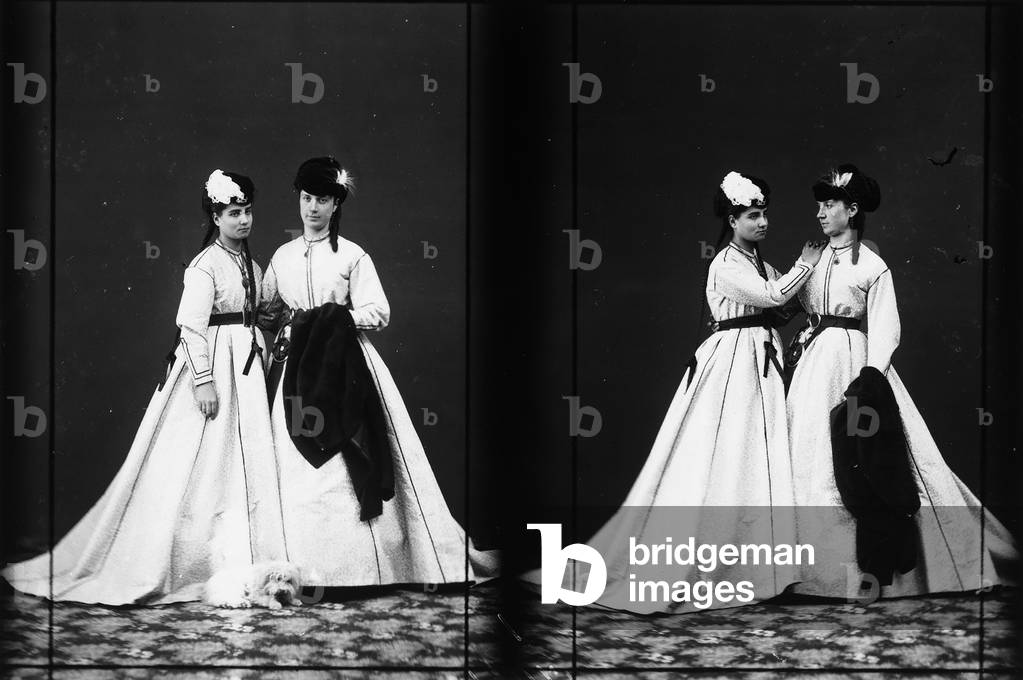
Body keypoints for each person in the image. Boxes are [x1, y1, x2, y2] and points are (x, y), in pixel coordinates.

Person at [526, 172, 825, 614]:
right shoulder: (725, 263)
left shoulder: (759, 261)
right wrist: (805, 265)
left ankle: (761, 562)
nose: (763, 222)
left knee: (757, 454)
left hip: (760, 359)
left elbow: (781, 305)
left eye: (764, 214)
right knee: (723, 452)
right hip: (732, 363)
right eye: (753, 215)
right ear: (732, 218)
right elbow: (768, 295)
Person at [2, 170, 288, 605]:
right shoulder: (204, 266)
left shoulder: (252, 264)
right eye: (234, 213)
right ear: (216, 216)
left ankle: (244, 563)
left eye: (248, 212)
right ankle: (187, 563)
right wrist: (204, 382)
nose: (244, 220)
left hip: (246, 372)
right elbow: (191, 327)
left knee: (243, 462)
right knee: (199, 465)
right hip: (214, 368)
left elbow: (264, 310)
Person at [259, 156, 495, 587]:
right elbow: (269, 311)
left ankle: (366, 571)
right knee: (294, 458)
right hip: (296, 369)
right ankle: (303, 567)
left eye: (323, 200)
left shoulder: (353, 256)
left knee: (351, 447)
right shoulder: (282, 257)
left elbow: (379, 311)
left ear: (336, 204)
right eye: (307, 198)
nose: (312, 208)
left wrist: (334, 319)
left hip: (343, 362)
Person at [785, 164, 1017, 598]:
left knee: (871, 456)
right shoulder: (812, 259)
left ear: (852, 210)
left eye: (830, 204)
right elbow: (786, 300)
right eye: (819, 204)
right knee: (806, 452)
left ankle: (915, 569)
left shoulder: (872, 265)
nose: (820, 213)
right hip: (814, 362)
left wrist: (871, 376)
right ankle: (801, 574)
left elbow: (886, 326)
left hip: (852, 362)